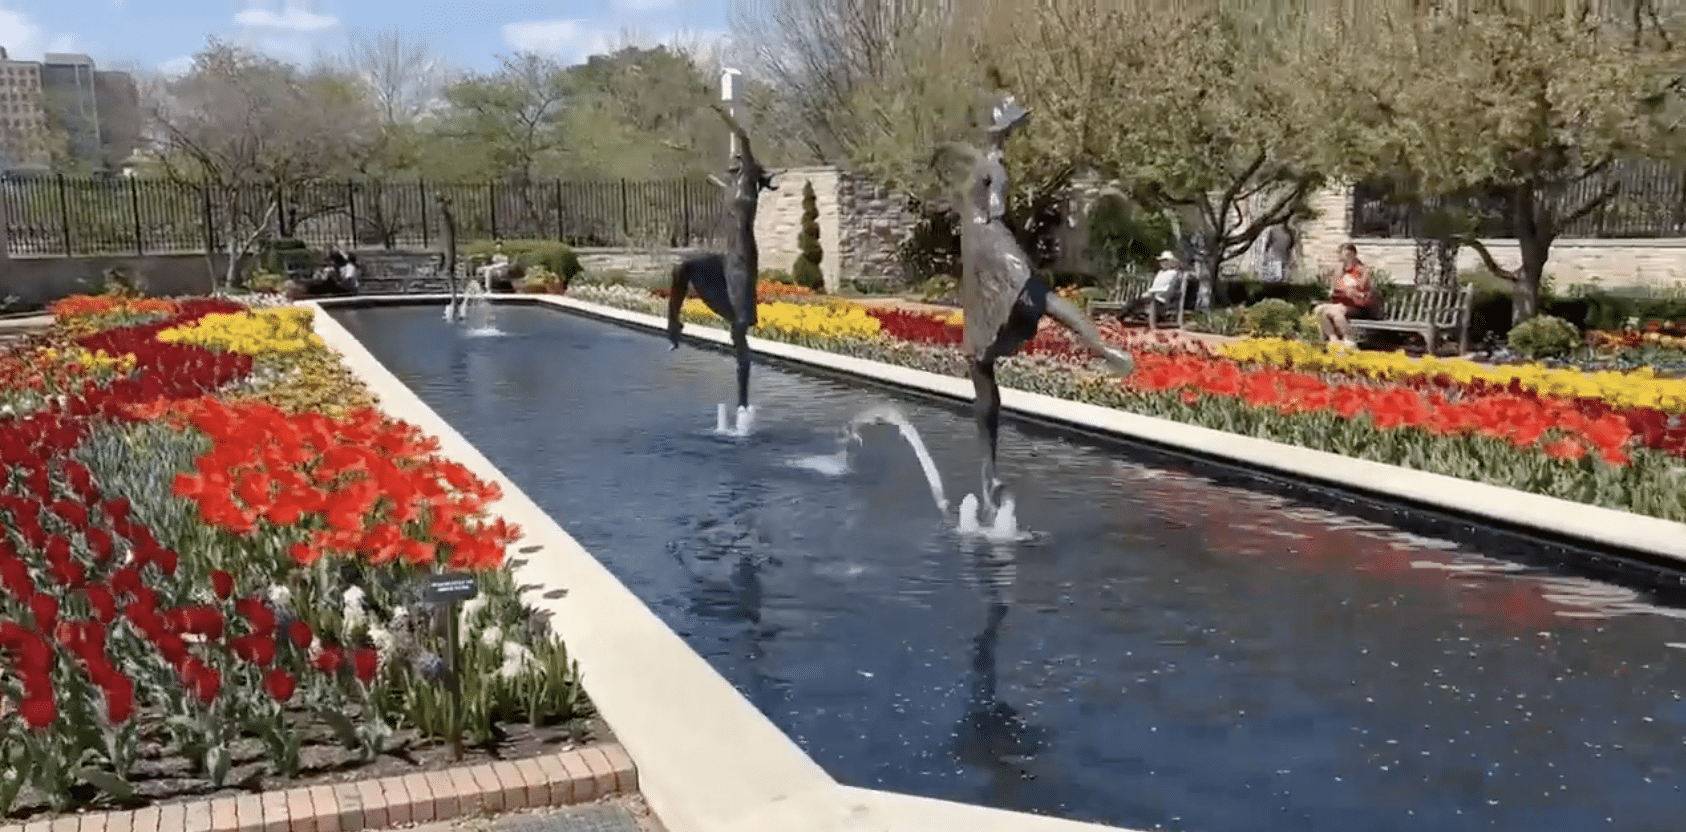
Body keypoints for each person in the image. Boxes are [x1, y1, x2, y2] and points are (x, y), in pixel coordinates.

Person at [1315, 243, 1380, 348]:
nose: (1346, 259)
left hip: (1360, 306)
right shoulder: (1340, 271)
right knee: (1319, 310)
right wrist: (1342, 289)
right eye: (1344, 256)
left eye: (1349, 255)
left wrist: (1350, 289)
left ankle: (1348, 339)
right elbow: (1337, 288)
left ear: (1354, 255)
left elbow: (1363, 288)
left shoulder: (1363, 270)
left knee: (1337, 311)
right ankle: (1333, 339)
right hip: (1343, 304)